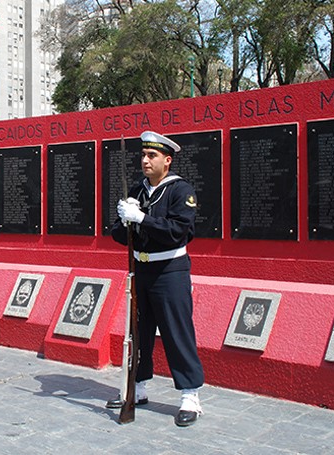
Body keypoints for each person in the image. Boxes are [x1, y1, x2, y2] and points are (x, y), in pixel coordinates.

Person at [106, 131, 205, 427]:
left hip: (169, 271)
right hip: (142, 269)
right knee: (140, 331)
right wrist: (124, 221)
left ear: (167, 160)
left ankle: (190, 395)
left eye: (152, 156)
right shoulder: (138, 190)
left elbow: (179, 231)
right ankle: (139, 386)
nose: (146, 160)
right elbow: (118, 235)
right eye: (143, 155)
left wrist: (142, 219)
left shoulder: (180, 190)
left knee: (176, 331)